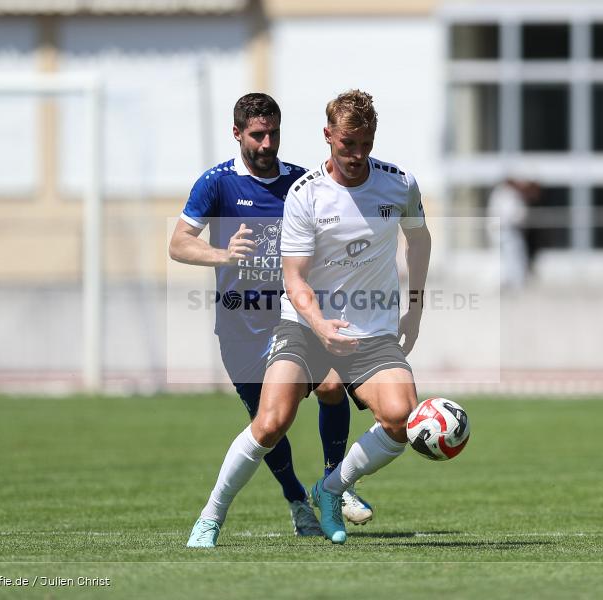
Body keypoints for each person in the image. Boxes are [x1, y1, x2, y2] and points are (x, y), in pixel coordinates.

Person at [187, 89, 431, 547]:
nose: (357, 155)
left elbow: (419, 240)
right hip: (303, 326)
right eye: (347, 145)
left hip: (372, 331)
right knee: (270, 423)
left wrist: (414, 307)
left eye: (365, 143)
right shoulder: (305, 195)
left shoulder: (400, 184)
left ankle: (330, 489)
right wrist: (320, 327)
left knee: (402, 421)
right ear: (328, 137)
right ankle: (211, 516)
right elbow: (294, 279)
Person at [169, 93, 373, 536]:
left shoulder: (301, 183)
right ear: (237, 133)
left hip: (295, 320)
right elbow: (179, 242)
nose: (266, 143)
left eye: (273, 133)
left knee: (332, 386)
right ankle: (297, 500)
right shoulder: (217, 183)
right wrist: (222, 255)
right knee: (268, 426)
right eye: (257, 135)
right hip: (241, 326)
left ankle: (336, 482)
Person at [487, 178, 529, 291]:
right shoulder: (505, 195)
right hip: (505, 230)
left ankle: (513, 282)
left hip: (509, 230)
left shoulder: (506, 194)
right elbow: (510, 214)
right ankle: (509, 281)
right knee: (508, 257)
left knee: (514, 257)